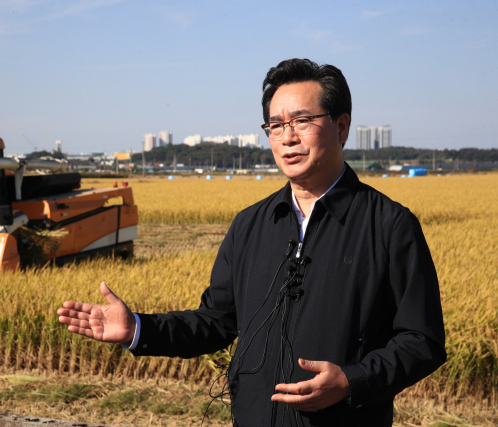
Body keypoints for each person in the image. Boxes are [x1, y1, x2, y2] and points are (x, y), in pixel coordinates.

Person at [57, 58, 447, 427]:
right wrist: (137, 329)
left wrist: (352, 381)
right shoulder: (250, 225)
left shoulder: (389, 225)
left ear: (342, 127)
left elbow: (422, 339)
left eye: (303, 121)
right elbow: (215, 322)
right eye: (275, 126)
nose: (287, 137)